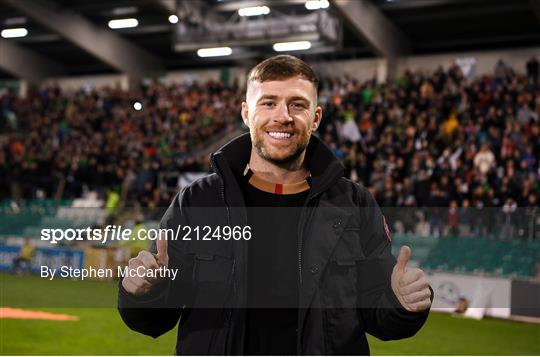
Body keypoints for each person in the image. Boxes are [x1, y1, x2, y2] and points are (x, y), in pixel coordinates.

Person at [118, 55, 432, 355]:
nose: (283, 116)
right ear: (246, 113)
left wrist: (400, 302)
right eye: (268, 102)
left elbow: (380, 318)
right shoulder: (198, 201)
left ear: (316, 118)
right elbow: (156, 319)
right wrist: (141, 293)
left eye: (297, 104)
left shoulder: (355, 205)